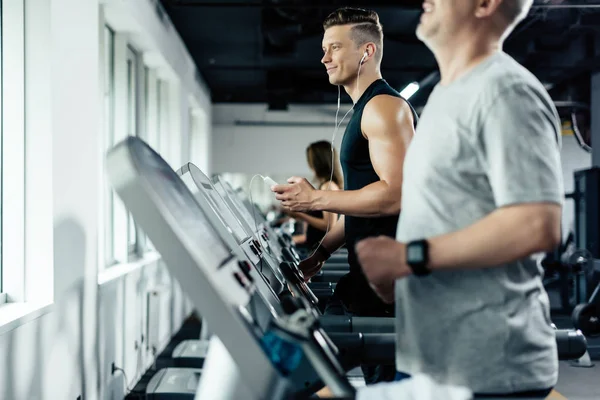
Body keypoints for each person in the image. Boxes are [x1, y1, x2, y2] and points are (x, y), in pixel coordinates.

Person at [355, 0, 562, 397]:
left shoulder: (504, 90)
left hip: (487, 371)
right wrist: (399, 277)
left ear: (485, 4)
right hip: (434, 359)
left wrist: (408, 257)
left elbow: (536, 223)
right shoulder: (447, 97)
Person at [271, 7, 418, 383]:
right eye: (324, 48)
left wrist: (316, 199)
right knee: (315, 366)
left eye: (334, 47)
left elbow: (395, 194)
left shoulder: (384, 107)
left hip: (391, 289)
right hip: (364, 280)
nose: (324, 57)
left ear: (366, 52)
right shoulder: (362, 111)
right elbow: (360, 203)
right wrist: (320, 253)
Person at [287, 141, 343, 256]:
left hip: (320, 251)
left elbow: (328, 225)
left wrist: (300, 215)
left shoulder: (328, 186)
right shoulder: (327, 185)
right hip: (315, 247)